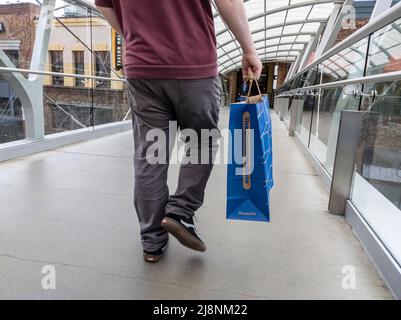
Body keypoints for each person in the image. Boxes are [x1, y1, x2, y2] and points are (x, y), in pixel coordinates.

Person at [95, 0, 262, 263]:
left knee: (151, 155)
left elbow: (104, 6)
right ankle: (180, 211)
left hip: (142, 67)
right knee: (202, 141)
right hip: (193, 63)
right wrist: (248, 49)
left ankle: (152, 242)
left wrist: (136, 34)